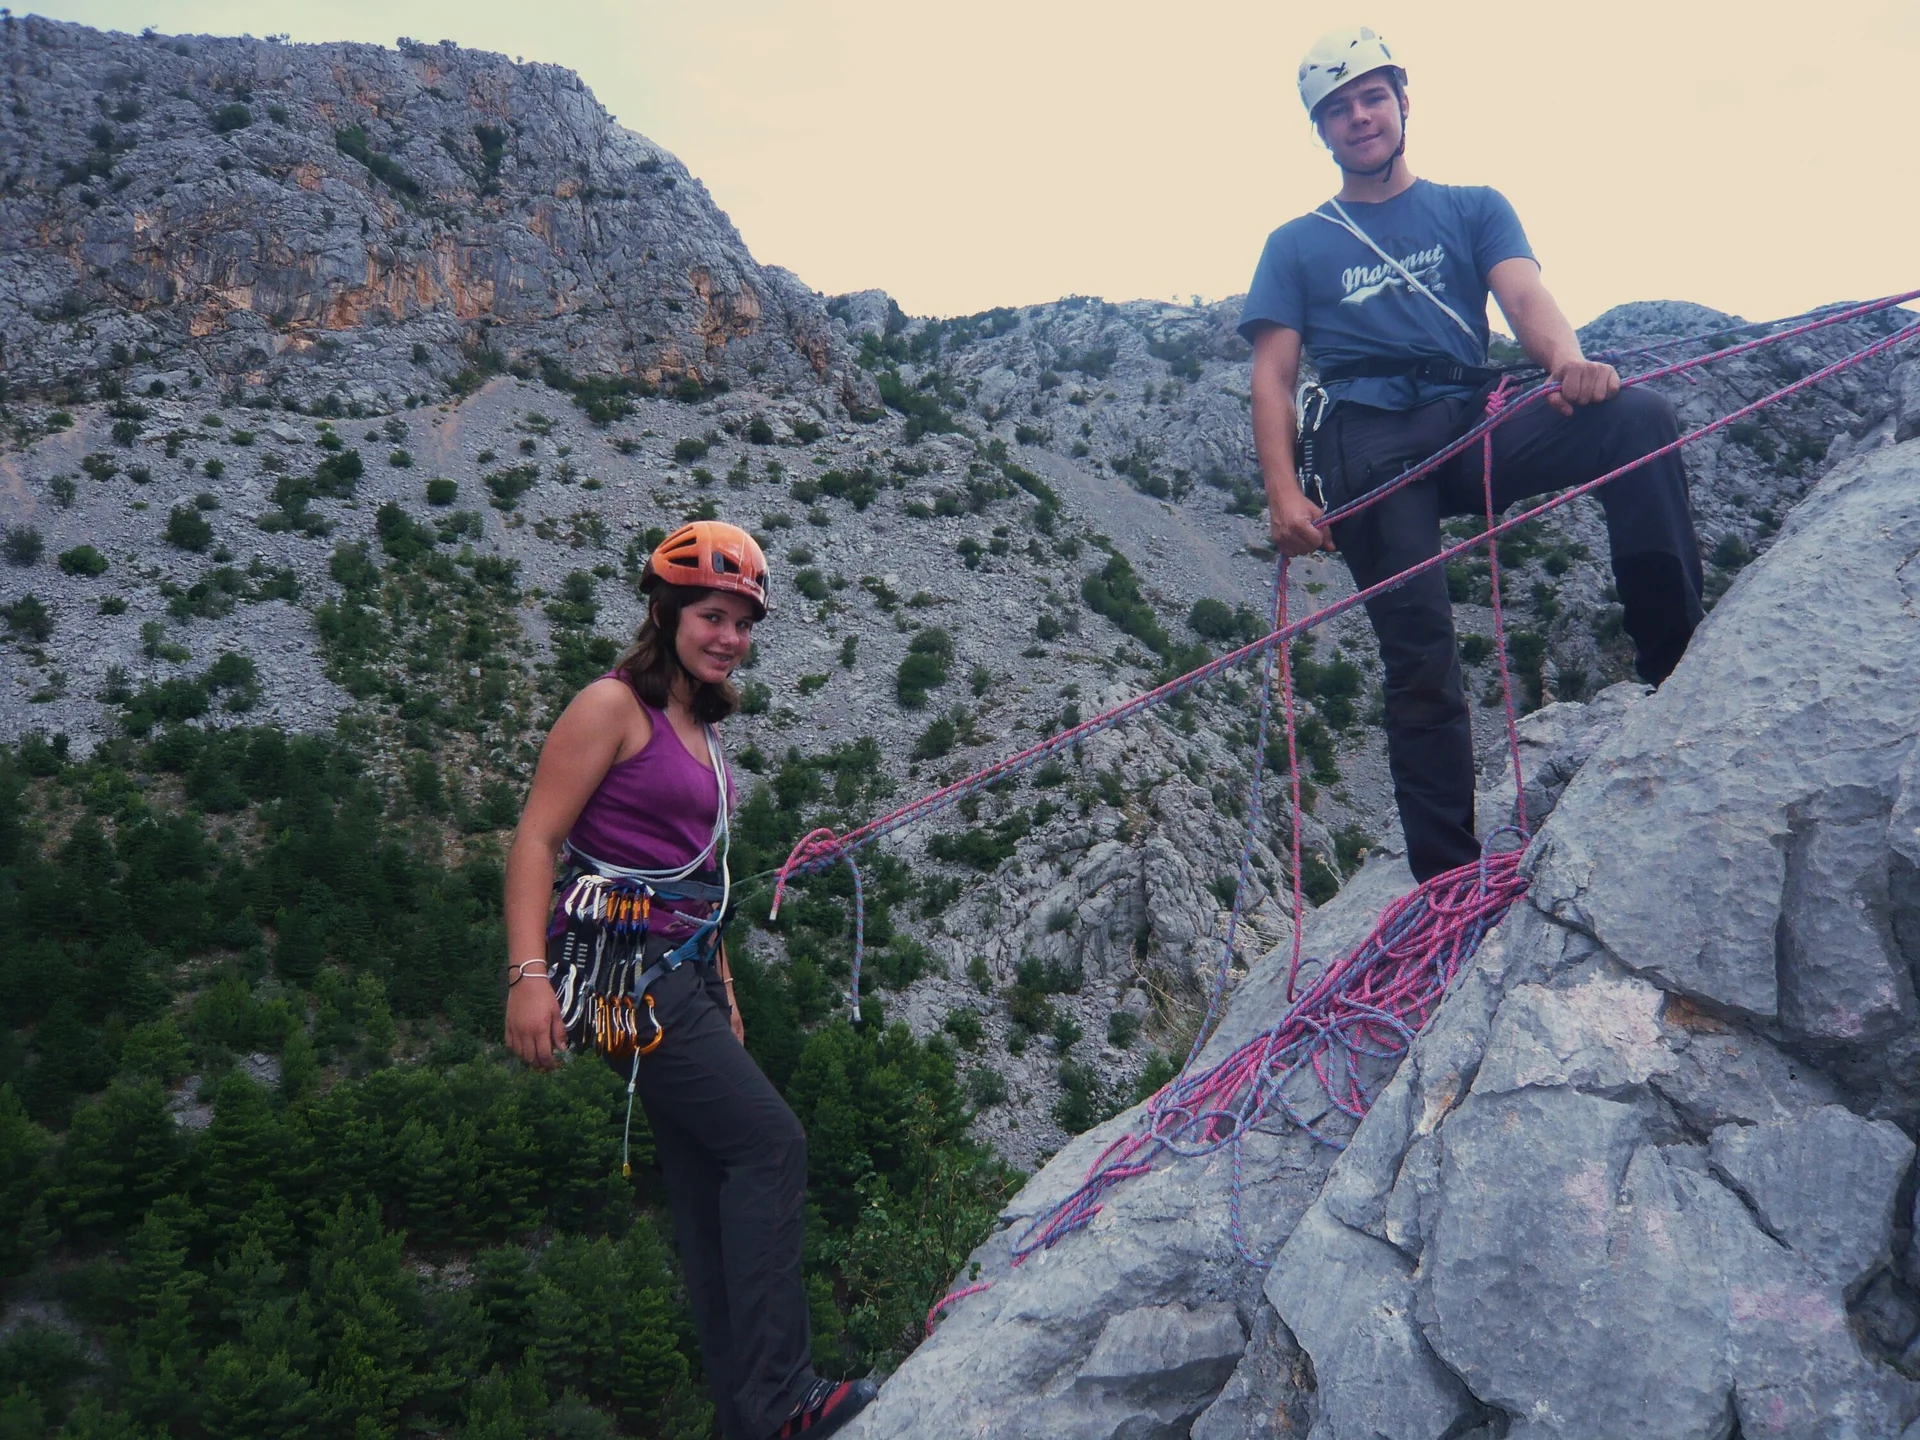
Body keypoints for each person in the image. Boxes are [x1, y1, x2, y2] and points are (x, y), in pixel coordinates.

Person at [1239, 25, 1704, 883]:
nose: (1360, 117)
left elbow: (1523, 295)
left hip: (1468, 408)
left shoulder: (1473, 206)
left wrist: (1566, 363)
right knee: (1419, 648)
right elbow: (1274, 374)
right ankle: (1447, 877)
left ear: (1403, 102)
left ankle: (1677, 674)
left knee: (1637, 420)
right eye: (1338, 109)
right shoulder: (1296, 243)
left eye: (1372, 97)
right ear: (1321, 131)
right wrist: (1282, 493)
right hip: (1365, 434)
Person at [502, 520, 877, 1440]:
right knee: (772, 1145)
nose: (730, 637)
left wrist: (725, 988)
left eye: (744, 624)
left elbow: (696, 875)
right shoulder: (611, 706)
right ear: (667, 613)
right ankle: (784, 1399)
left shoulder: (699, 726)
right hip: (620, 975)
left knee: (711, 1190)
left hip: (681, 971)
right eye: (713, 616)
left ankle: (746, 1418)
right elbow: (536, 840)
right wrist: (527, 976)